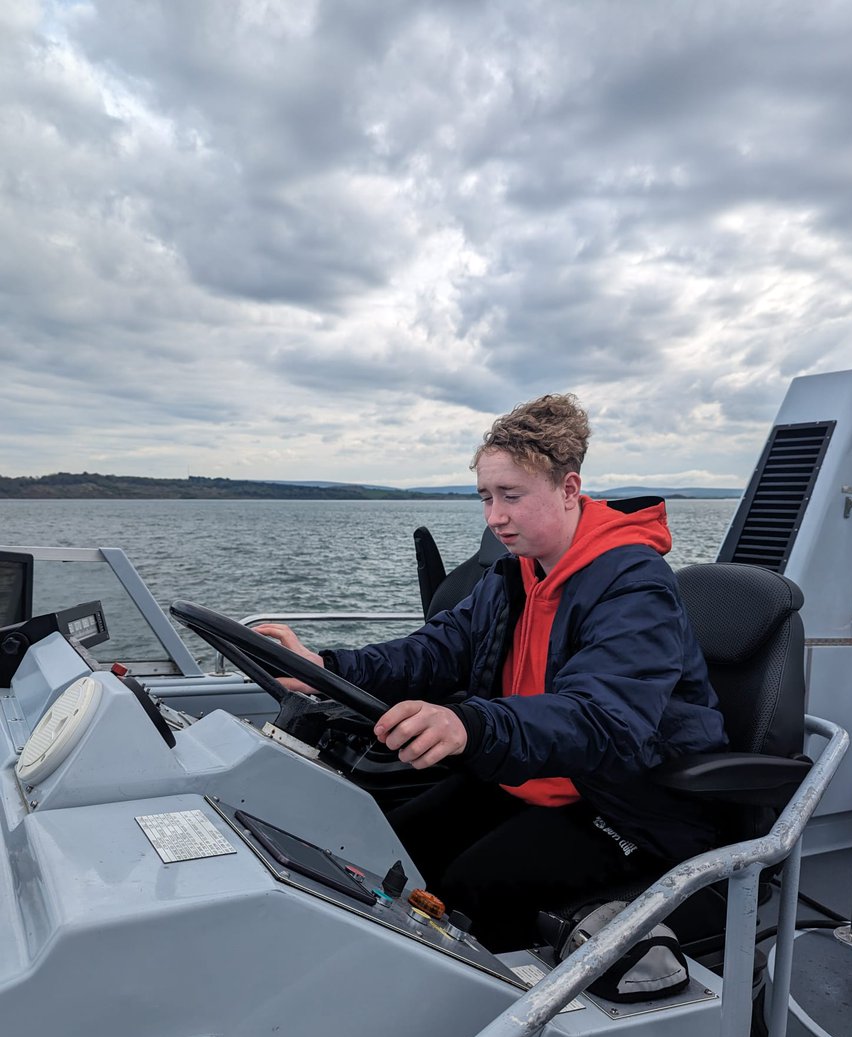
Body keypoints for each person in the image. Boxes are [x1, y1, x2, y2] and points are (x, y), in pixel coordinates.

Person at [256, 394, 727, 950]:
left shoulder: (633, 584)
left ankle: (497, 1019)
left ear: (569, 489)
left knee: (467, 890)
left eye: (511, 496)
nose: (495, 516)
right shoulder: (515, 573)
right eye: (485, 497)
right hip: (531, 776)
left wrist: (469, 726)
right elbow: (436, 650)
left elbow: (604, 720)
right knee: (391, 848)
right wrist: (325, 667)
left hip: (627, 803)